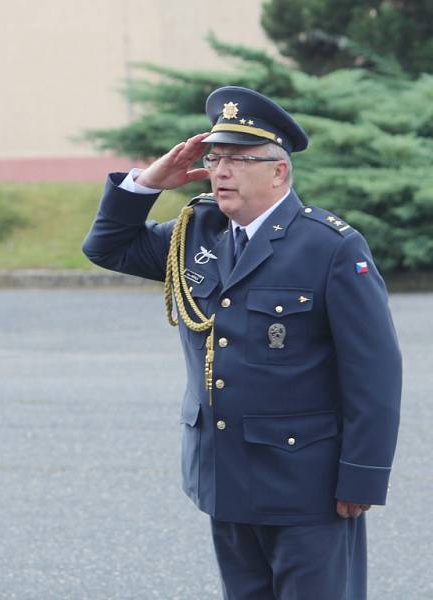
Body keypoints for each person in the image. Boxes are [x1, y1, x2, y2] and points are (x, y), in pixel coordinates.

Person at [82, 86, 401, 599]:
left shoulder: (331, 247)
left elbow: (374, 374)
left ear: (279, 171)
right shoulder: (198, 231)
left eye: (239, 159)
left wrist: (362, 476)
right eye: (215, 158)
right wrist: (149, 182)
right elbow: (106, 247)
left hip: (306, 484)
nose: (221, 171)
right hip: (226, 476)